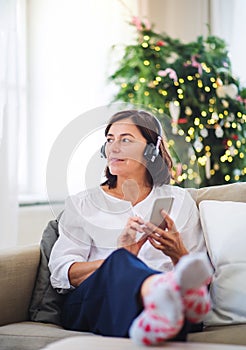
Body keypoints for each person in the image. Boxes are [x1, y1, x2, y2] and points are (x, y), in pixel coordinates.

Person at [48, 109, 213, 346]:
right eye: (109, 140)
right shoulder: (83, 203)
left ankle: (158, 312)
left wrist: (178, 253)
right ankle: (158, 292)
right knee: (120, 261)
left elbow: (198, 276)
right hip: (94, 301)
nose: (113, 148)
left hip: (158, 308)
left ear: (150, 150)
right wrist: (122, 258)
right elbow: (62, 273)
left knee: (175, 300)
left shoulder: (179, 201)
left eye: (125, 140)